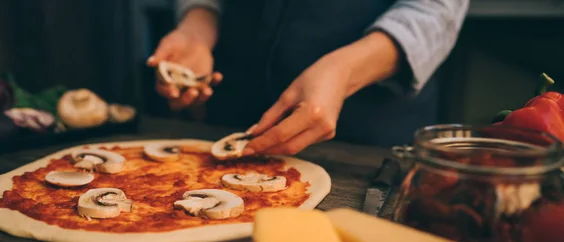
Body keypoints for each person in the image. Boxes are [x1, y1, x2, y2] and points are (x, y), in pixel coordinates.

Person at [147, 0, 469, 155]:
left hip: (366, 143)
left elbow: (434, 10)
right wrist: (198, 27)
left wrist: (343, 72)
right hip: (225, 116)